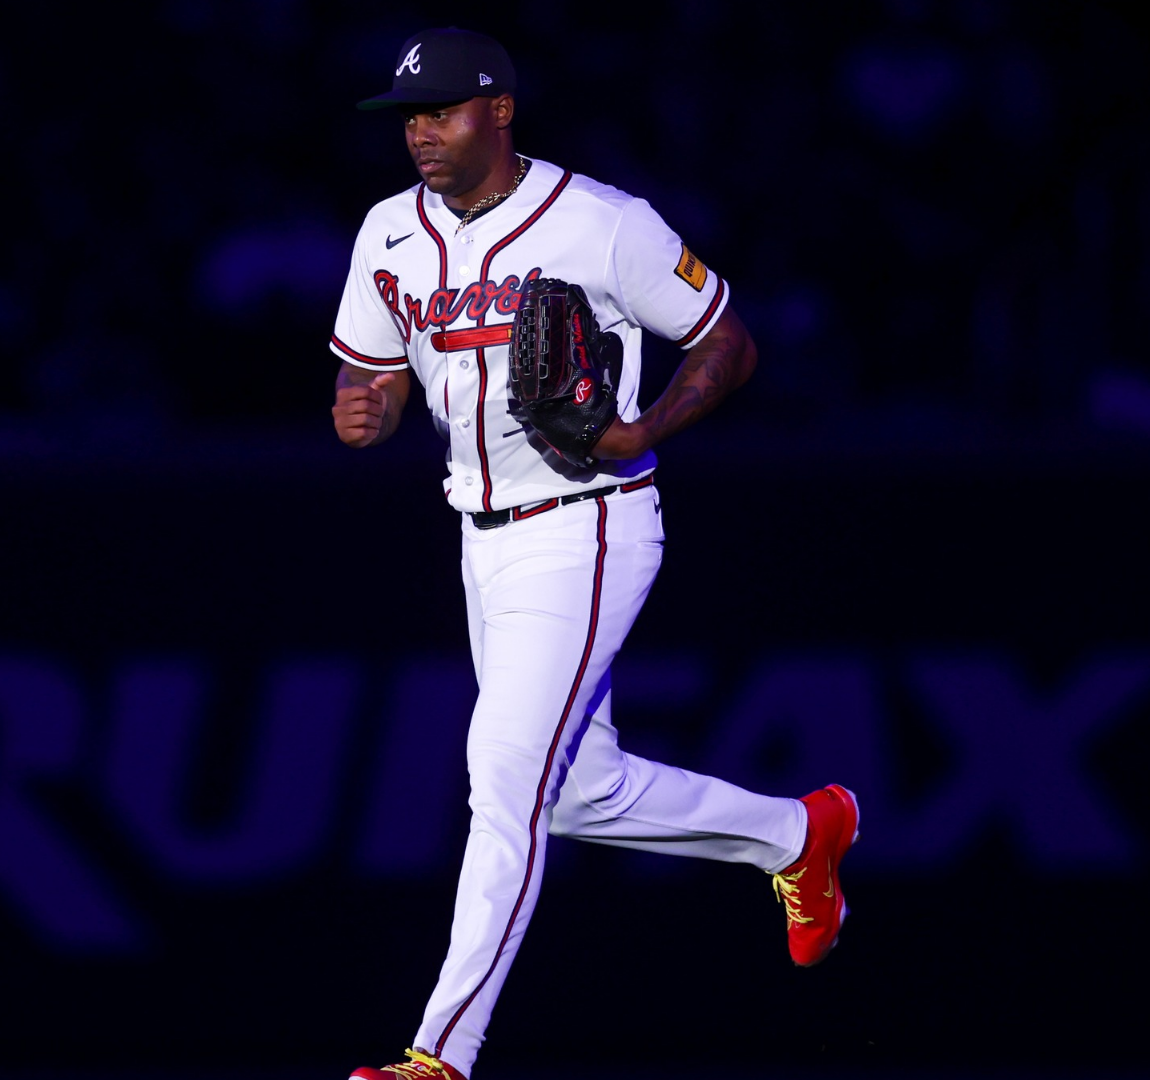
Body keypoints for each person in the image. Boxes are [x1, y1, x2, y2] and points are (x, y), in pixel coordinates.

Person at [327, 28, 859, 1080]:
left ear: (502, 111)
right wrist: (371, 404)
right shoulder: (388, 232)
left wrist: (644, 429)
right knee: (580, 793)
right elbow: (376, 373)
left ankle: (439, 1055)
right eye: (409, 116)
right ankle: (796, 836)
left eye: (443, 110)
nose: (422, 132)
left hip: (591, 525)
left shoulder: (604, 224)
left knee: (503, 778)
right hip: (480, 537)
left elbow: (728, 344)